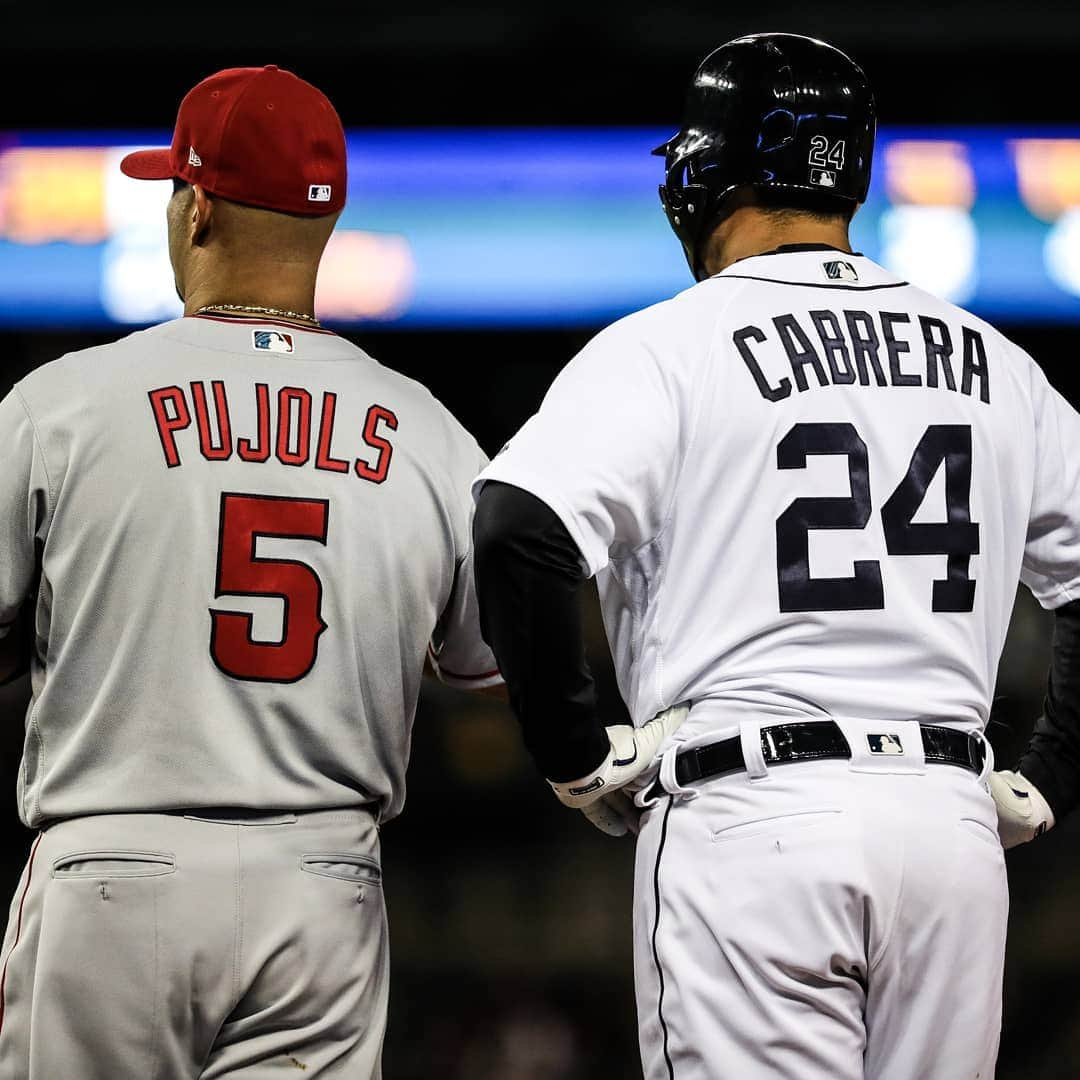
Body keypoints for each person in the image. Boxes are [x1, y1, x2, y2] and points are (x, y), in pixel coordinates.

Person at [472, 32, 1080, 1080]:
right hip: (948, 832)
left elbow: (518, 526)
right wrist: (1047, 768)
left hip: (754, 816)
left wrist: (573, 750)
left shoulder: (671, 344)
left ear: (712, 169)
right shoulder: (995, 360)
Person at [0, 65, 501, 1078]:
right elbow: (482, 662)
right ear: (327, 224)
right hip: (321, 877)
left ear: (195, 211)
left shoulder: (60, 406)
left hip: (113, 861)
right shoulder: (433, 436)